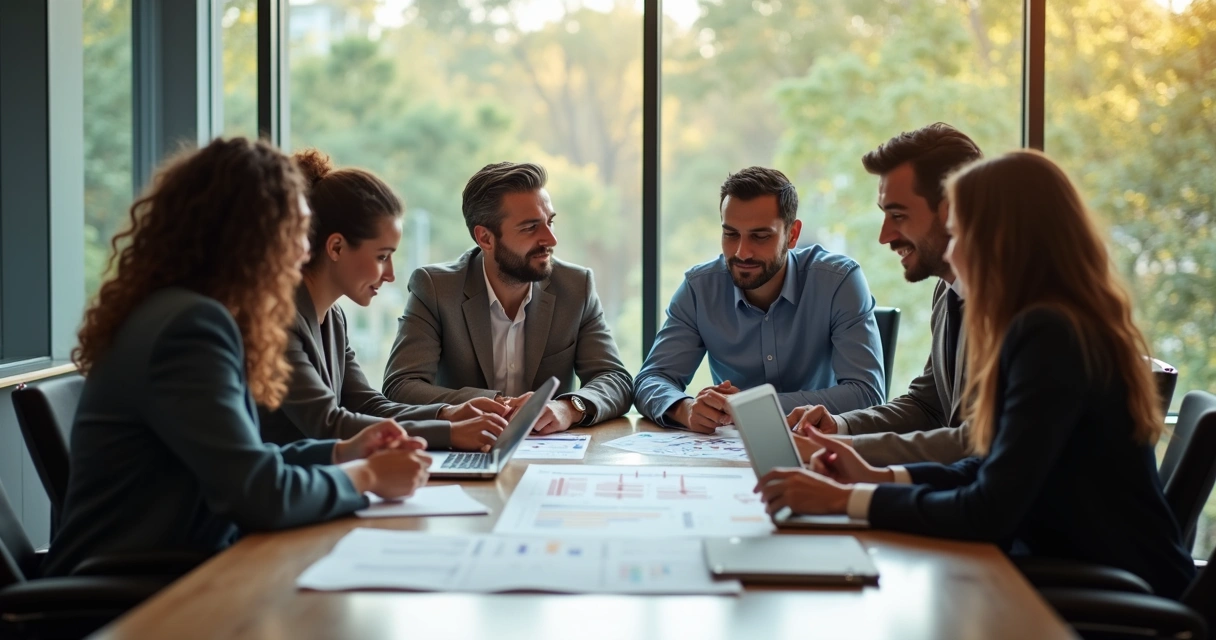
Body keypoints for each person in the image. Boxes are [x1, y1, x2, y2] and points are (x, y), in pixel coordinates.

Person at [756, 150, 1196, 599]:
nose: (951, 251)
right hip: (1074, 572)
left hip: (1121, 599)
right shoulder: (1047, 321)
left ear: (1001, 239)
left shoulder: (1050, 333)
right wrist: (874, 476)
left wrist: (844, 500)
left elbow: (988, 510)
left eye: (959, 233)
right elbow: (993, 466)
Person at [43, 138, 430, 577]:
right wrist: (368, 477)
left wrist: (342, 452)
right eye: (296, 235)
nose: (306, 251)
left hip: (173, 569)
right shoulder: (191, 328)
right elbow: (258, 493)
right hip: (136, 593)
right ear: (251, 238)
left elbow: (248, 459)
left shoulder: (177, 311)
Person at [258, 150, 511, 452]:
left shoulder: (333, 317)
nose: (390, 274)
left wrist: (448, 414)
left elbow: (366, 403)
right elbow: (328, 423)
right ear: (336, 247)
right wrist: (450, 433)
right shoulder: (278, 319)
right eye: (382, 257)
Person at [381, 162, 633, 435]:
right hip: (469, 446)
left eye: (550, 222)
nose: (550, 239)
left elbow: (615, 379)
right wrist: (498, 404)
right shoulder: (435, 288)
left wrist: (568, 407)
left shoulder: (575, 286)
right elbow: (401, 385)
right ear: (485, 238)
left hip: (552, 450)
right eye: (530, 228)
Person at [787, 123, 983, 465]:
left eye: (898, 215)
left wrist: (846, 451)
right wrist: (840, 426)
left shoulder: (1020, 303)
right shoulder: (947, 290)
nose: (884, 236)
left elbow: (978, 441)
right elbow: (927, 405)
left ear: (953, 210)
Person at [633, 166, 885, 433]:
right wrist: (687, 409)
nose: (742, 252)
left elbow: (866, 394)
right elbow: (650, 380)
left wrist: (750, 406)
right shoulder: (699, 289)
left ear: (793, 234)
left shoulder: (839, 282)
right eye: (731, 234)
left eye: (760, 236)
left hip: (821, 449)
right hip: (732, 453)